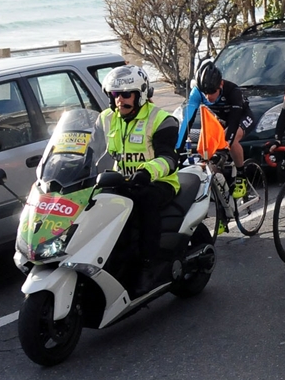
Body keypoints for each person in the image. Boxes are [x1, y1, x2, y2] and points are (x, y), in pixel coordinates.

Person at [98, 66, 181, 296]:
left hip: (159, 182)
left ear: (140, 94)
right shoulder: (105, 119)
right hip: (122, 180)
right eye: (115, 94)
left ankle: (148, 265)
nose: (119, 100)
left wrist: (146, 173)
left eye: (126, 94)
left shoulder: (161, 120)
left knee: (143, 200)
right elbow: (88, 151)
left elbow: (170, 159)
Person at [177, 58, 255, 199]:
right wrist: (177, 150)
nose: (208, 96)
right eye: (204, 92)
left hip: (242, 118)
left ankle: (242, 177)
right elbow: (187, 122)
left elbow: (233, 122)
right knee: (207, 153)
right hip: (222, 120)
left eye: (212, 91)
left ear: (221, 84)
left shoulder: (233, 91)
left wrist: (225, 147)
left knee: (230, 141)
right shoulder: (196, 93)